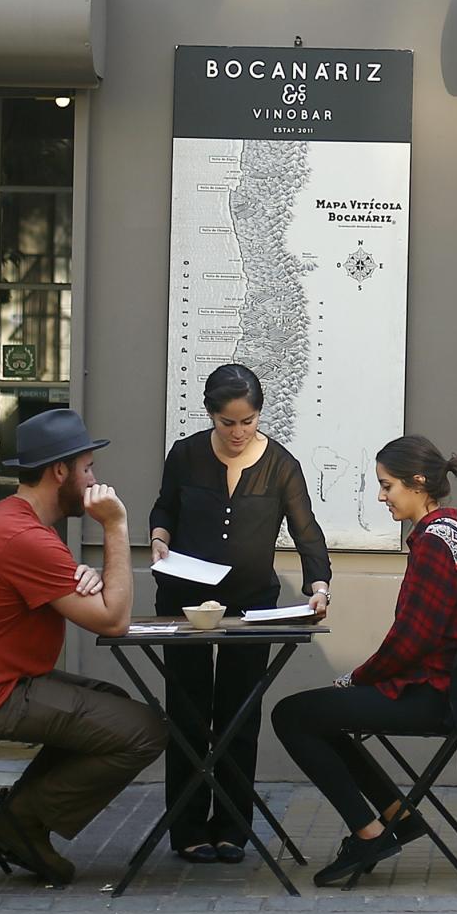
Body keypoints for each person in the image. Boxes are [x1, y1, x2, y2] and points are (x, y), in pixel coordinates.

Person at [0, 408, 167, 885]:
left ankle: (21, 823)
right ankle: (20, 823)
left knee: (111, 707)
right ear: (60, 471)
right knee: (145, 730)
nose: (95, 479)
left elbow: (79, 597)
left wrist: (88, 577)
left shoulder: (14, 523)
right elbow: (114, 621)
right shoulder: (25, 537)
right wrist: (115, 527)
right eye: (88, 467)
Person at [271, 435, 457, 887]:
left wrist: (355, 678)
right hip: (454, 690)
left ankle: (369, 833)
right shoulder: (456, 533)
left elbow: (413, 640)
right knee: (323, 717)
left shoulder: (433, 543)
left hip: (433, 695)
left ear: (418, 483)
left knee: (291, 714)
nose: (381, 495)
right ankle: (398, 815)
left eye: (387, 486)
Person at [148, 363, 333, 863]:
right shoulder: (185, 455)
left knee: (238, 713)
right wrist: (160, 536)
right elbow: (164, 507)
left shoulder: (280, 464)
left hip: (252, 602)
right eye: (227, 422)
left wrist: (319, 584)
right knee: (187, 712)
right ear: (210, 415)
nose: (238, 432)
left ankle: (232, 827)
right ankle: (187, 830)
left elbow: (306, 530)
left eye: (247, 421)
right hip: (184, 602)